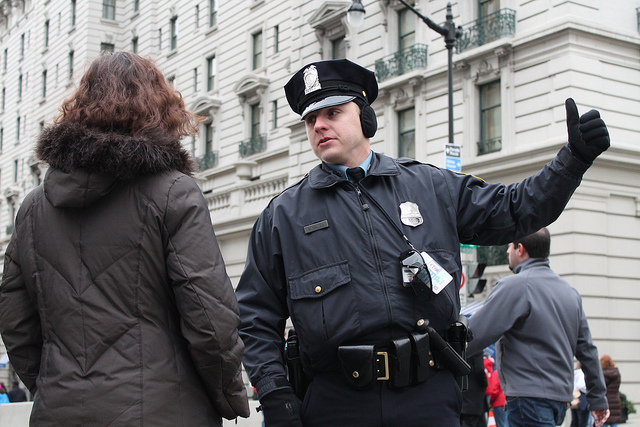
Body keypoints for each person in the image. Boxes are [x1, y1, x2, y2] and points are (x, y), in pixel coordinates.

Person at [236, 58, 610, 426]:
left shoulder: (432, 188)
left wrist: (573, 160)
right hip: (336, 404)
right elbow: (254, 319)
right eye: (310, 119)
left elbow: (516, 209)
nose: (318, 125)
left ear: (365, 118)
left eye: (332, 113)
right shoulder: (283, 216)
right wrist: (275, 396)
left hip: (428, 398)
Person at [0, 52, 249, 425]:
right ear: (159, 108)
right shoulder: (173, 192)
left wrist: (54, 382)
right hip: (163, 410)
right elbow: (210, 317)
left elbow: (15, 321)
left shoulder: (33, 207)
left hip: (60, 411)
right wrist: (228, 392)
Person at [467, 228, 609, 427]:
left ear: (520, 249)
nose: (507, 252)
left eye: (509, 246)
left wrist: (439, 355)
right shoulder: (569, 292)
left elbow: (475, 334)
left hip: (528, 398)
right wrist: (598, 399)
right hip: (559, 399)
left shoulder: (515, 286)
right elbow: (587, 350)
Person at [461, 352, 489, 427]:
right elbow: (479, 370)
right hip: (475, 397)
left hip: (464, 394)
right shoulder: (477, 349)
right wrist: (485, 383)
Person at [485, 356, 508, 427]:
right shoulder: (507, 373)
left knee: (501, 424)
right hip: (506, 402)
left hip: (498, 403)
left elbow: (494, 390)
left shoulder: (496, 373)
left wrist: (490, 401)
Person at [601, 355, 622, 426]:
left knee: (604, 421)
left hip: (606, 400)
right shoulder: (616, 372)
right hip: (615, 399)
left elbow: (601, 386)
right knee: (614, 421)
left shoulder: (603, 374)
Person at [572, 361, 592, 427]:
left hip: (574, 399)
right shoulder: (582, 373)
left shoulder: (575, 372)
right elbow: (581, 385)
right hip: (582, 399)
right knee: (583, 422)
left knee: (575, 421)